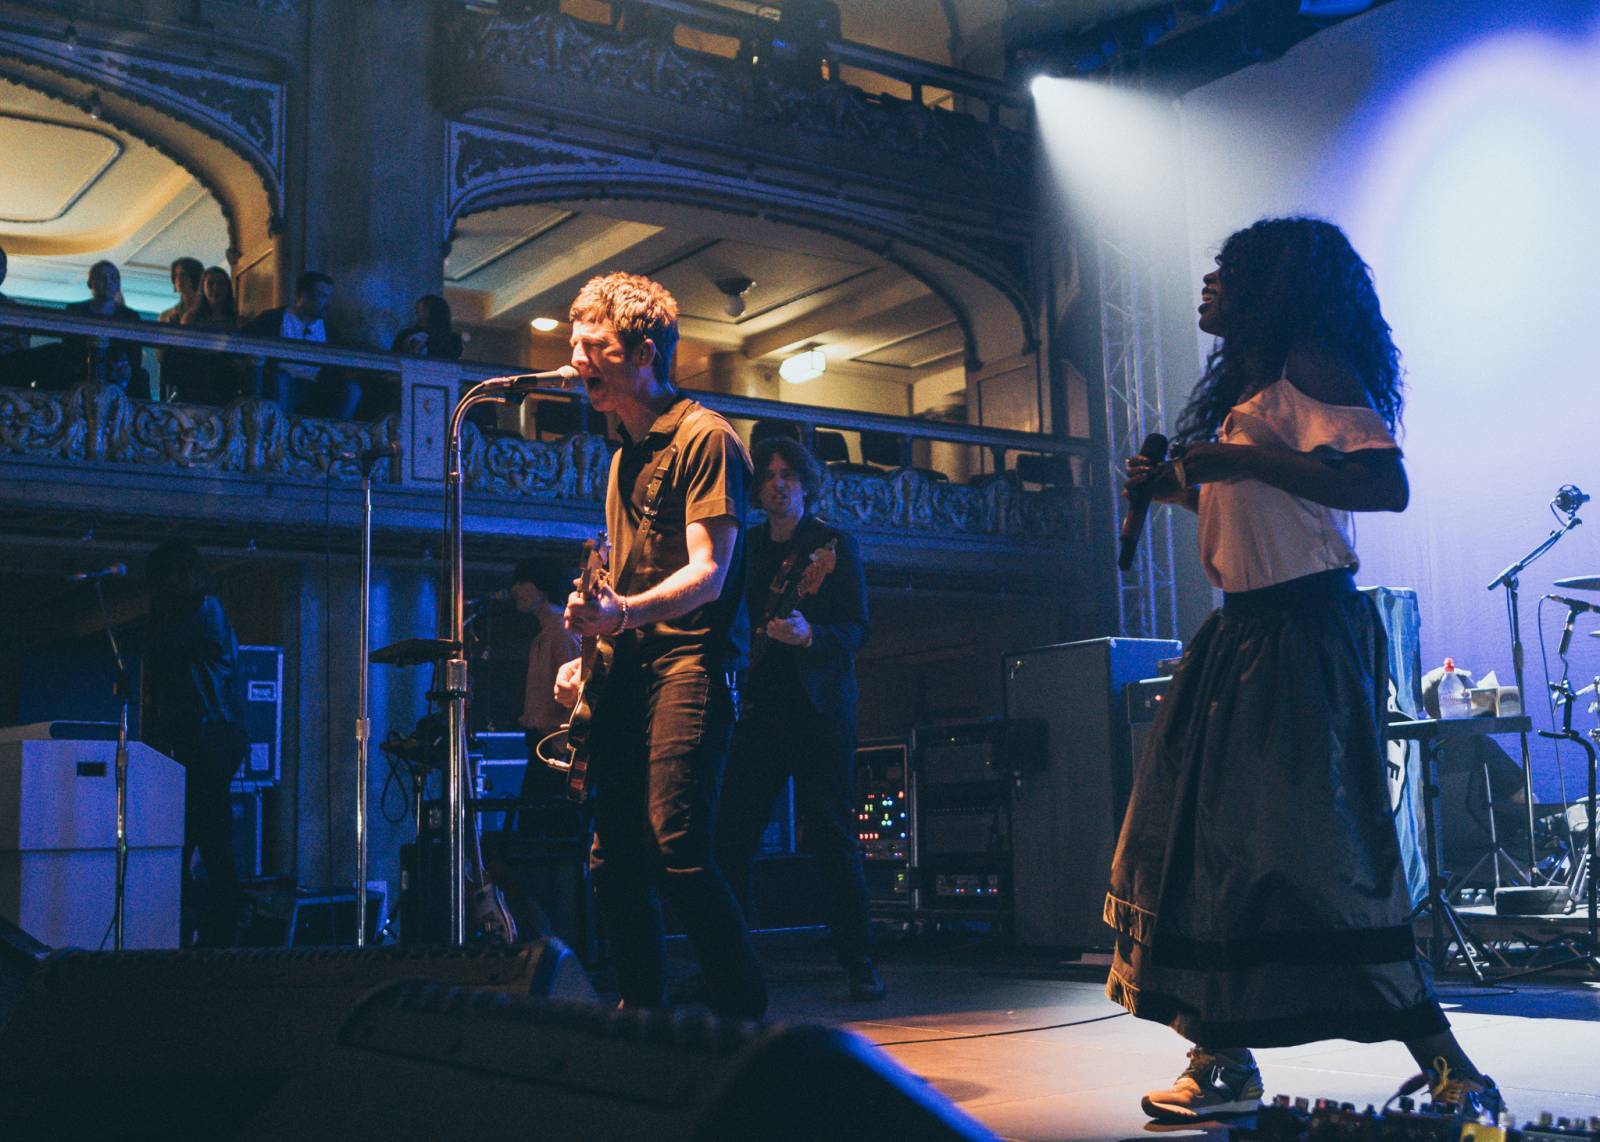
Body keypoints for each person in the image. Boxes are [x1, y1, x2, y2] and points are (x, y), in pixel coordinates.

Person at [1106, 217, 1504, 1121]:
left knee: (1321, 857)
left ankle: (1451, 1064)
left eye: (1228, 273)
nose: (1208, 285)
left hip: (1305, 634)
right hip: (1241, 635)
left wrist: (1237, 457)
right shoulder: (1246, 388)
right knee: (1208, 857)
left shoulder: (1315, 366)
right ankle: (1222, 1059)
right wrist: (1175, 485)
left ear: (1273, 285)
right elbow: (1246, 501)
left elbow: (1382, 485)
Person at [554, 272, 766, 1021]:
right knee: (611, 860)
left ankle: (745, 1014)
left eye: (592, 347)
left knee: (676, 842)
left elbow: (709, 575)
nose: (576, 361)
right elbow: (624, 583)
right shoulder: (620, 457)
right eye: (573, 346)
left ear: (644, 350)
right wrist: (591, 651)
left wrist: (620, 616)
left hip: (691, 665)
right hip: (629, 670)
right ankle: (639, 1014)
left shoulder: (705, 438)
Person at [715, 436, 882, 1001]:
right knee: (730, 837)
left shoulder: (834, 544)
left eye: (788, 473)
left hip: (820, 715)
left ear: (806, 483)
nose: (778, 482)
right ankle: (731, 961)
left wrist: (813, 636)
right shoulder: (748, 546)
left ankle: (860, 962)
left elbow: (858, 627)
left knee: (833, 837)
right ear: (757, 489)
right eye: (768, 475)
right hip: (760, 711)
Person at [142, 539, 250, 947]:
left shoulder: (204, 610)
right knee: (201, 834)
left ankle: (214, 932)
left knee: (201, 835)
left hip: (211, 734)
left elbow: (165, 650)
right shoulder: (193, 613)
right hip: (205, 735)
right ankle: (208, 929)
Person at [511, 555, 582, 800]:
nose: (515, 589)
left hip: (555, 747)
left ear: (541, 586)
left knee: (542, 827)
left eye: (522, 582)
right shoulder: (547, 633)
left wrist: (562, 747)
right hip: (544, 744)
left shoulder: (561, 632)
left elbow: (575, 695)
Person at [242, 270, 357, 417]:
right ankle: (280, 431)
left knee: (352, 390)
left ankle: (338, 435)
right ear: (303, 295)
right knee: (281, 379)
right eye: (322, 296)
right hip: (278, 382)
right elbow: (244, 341)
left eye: (328, 297)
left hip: (318, 389)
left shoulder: (331, 331)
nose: (327, 303)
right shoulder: (272, 319)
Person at [64, 260, 145, 390]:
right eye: (102, 278)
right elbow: (69, 349)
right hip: (80, 373)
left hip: (118, 376)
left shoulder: (130, 317)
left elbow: (134, 357)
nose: (108, 282)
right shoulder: (75, 311)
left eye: (113, 278)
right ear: (91, 283)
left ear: (118, 284)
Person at [392, 294, 464, 361]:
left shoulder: (452, 341)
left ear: (437, 313)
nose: (420, 316)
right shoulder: (404, 335)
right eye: (417, 311)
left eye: (424, 311)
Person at [159, 257, 205, 326]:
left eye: (183, 275)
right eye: (176, 275)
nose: (179, 279)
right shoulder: (166, 315)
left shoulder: (211, 312)